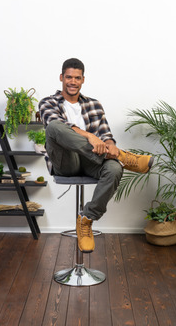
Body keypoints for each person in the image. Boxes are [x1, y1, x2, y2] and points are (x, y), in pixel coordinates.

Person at [39, 58, 153, 253]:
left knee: (115, 168)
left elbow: (107, 136)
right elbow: (56, 125)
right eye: (68, 77)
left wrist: (110, 145)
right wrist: (90, 136)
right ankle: (123, 157)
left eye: (77, 78)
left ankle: (87, 220)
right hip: (66, 162)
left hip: (93, 161)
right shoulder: (48, 102)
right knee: (55, 127)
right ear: (61, 78)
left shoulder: (94, 104)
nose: (72, 82)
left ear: (83, 80)